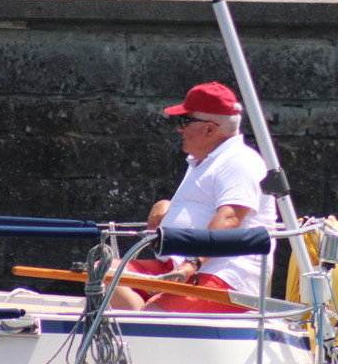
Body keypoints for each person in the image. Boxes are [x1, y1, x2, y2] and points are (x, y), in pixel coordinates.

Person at [110, 82, 277, 312]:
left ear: (210, 129)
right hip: (179, 264)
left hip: (225, 275)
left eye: (185, 121)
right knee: (102, 272)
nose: (179, 129)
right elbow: (201, 205)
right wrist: (165, 205)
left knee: (155, 313)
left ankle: (146, 327)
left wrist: (191, 264)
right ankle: (140, 333)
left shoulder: (240, 161)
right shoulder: (205, 160)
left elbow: (230, 220)